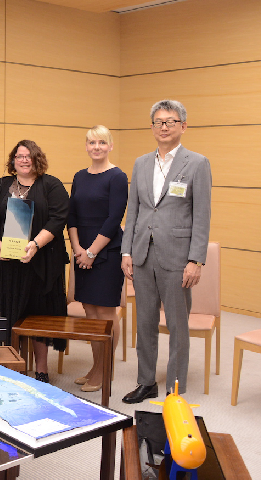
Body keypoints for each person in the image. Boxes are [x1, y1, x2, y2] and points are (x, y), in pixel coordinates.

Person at [121, 100, 212, 403]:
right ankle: (146, 381)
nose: (163, 127)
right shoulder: (141, 163)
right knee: (144, 323)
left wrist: (196, 259)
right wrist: (126, 252)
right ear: (152, 127)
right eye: (158, 122)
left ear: (183, 126)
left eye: (170, 122)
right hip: (143, 254)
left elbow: (202, 216)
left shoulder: (197, 163)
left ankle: (174, 387)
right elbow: (132, 211)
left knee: (176, 326)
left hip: (177, 257)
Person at [0, 140, 69, 383]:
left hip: (40, 263)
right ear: (13, 160)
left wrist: (35, 244)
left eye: (29, 156)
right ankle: (10, 366)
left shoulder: (51, 185)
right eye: (19, 156)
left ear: (37, 159)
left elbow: (58, 219)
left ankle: (41, 369)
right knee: (8, 315)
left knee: (37, 317)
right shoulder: (0, 186)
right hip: (6, 265)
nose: (24, 160)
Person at [67, 125, 128, 392]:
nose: (97, 147)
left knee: (105, 313)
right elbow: (72, 217)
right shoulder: (80, 176)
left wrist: (92, 252)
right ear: (86, 146)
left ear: (110, 146)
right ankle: (96, 366)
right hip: (83, 252)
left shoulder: (117, 177)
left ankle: (106, 369)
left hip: (107, 251)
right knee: (90, 313)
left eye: (102, 143)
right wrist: (78, 248)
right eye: (92, 143)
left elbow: (114, 219)